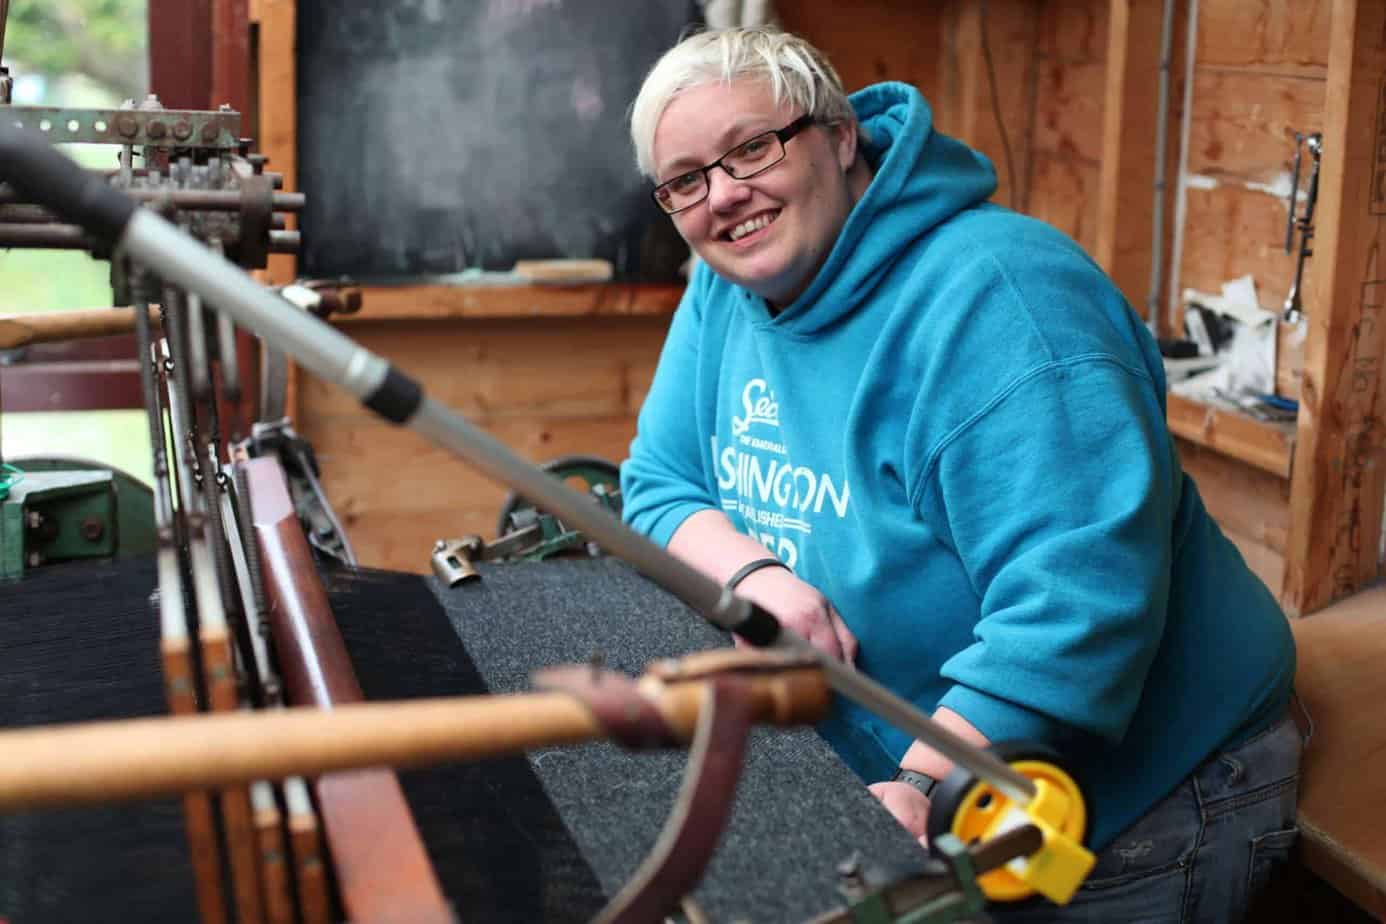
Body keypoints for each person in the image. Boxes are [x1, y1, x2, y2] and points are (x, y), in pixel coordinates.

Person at [619, 25, 1301, 923]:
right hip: (908, 751)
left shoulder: (1004, 305)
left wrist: (919, 784)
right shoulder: (729, 283)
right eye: (686, 180)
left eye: (751, 149)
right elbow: (659, 483)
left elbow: (1075, 606)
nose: (724, 196)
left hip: (1141, 789)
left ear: (839, 136)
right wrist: (756, 576)